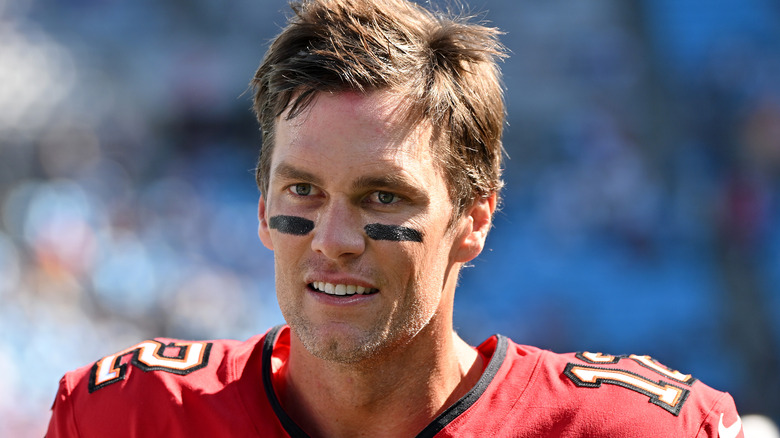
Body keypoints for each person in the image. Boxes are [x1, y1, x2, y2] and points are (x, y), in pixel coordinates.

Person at [46, 0, 744, 436]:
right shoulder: (131, 414)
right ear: (262, 208)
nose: (335, 240)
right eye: (303, 192)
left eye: (383, 196)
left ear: (474, 218)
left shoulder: (633, 430)